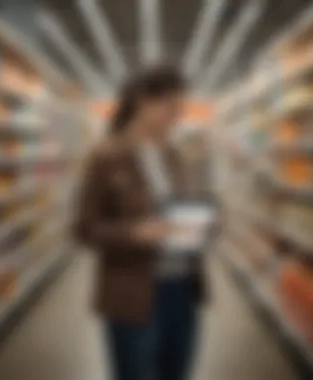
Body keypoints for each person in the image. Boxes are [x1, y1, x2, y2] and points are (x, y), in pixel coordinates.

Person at [75, 65, 219, 380]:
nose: (178, 117)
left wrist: (202, 222)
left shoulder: (174, 154)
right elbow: (84, 228)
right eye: (171, 108)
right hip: (134, 293)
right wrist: (134, 232)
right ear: (142, 101)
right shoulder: (106, 156)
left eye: (181, 109)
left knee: (176, 372)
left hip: (182, 289)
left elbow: (178, 210)